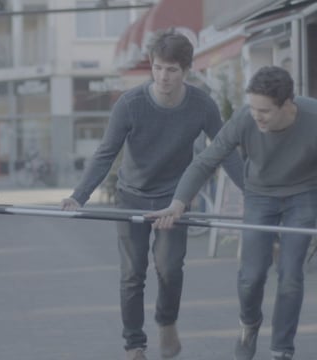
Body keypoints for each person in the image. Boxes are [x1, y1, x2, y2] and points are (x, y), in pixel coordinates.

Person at [60, 30, 244, 360]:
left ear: (186, 70)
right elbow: (105, 153)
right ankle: (134, 344)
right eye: (158, 68)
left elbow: (224, 151)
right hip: (132, 196)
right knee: (132, 274)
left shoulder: (202, 105)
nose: (163, 77)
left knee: (170, 268)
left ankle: (167, 322)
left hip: (174, 199)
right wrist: (79, 196)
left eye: (172, 70)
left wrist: (252, 193)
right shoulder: (130, 104)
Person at [148, 66, 317, 360]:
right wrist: (179, 203)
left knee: (291, 275)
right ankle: (249, 325)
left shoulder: (313, 118)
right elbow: (205, 162)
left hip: (302, 194)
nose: (256, 115)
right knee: (251, 276)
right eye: (252, 107)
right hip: (260, 195)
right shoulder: (244, 118)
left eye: (264, 110)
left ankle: (281, 349)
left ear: (288, 104)